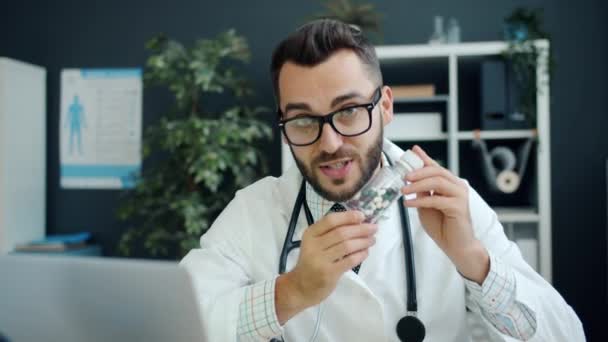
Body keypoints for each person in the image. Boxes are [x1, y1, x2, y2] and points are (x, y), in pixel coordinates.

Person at [180, 19, 585, 341]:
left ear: (385, 106)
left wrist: (474, 263)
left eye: (350, 110)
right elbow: (174, 326)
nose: (331, 142)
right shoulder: (254, 211)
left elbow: (566, 335)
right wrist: (292, 292)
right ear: (284, 126)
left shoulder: (452, 204)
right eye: (304, 120)